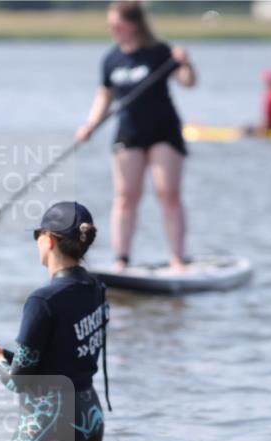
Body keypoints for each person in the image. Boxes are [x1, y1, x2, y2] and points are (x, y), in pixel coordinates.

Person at [0, 202, 110, 441]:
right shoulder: (97, 289)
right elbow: (60, 358)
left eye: (36, 235)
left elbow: (18, 381)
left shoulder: (42, 300)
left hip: (50, 424)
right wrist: (2, 354)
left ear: (48, 240)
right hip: (90, 417)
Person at [75, 1, 197, 273]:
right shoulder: (111, 59)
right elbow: (104, 95)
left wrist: (186, 63)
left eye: (117, 25)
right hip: (129, 132)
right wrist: (90, 124)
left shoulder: (159, 51)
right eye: (110, 25)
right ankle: (122, 259)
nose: (112, 30)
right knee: (125, 196)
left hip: (163, 131)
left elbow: (188, 82)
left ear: (134, 24)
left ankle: (177, 259)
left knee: (168, 193)